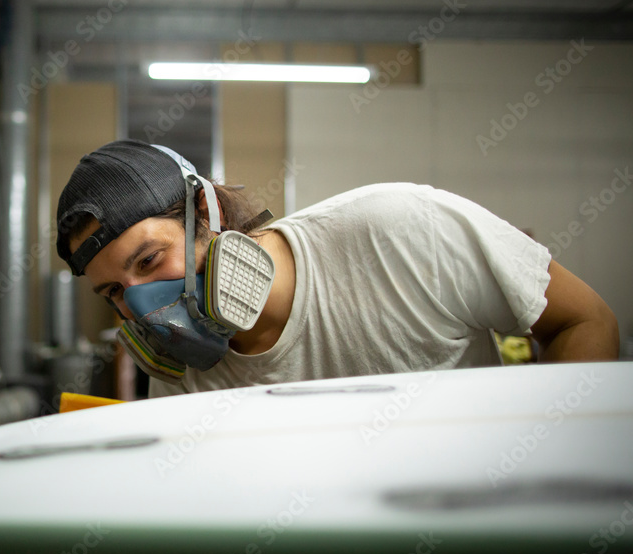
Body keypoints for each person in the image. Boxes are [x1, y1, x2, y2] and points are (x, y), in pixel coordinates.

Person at [55, 140, 619, 397]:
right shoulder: (181, 378)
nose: (140, 305)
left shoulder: (400, 229)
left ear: (204, 211)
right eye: (114, 292)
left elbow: (585, 322)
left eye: (150, 260)